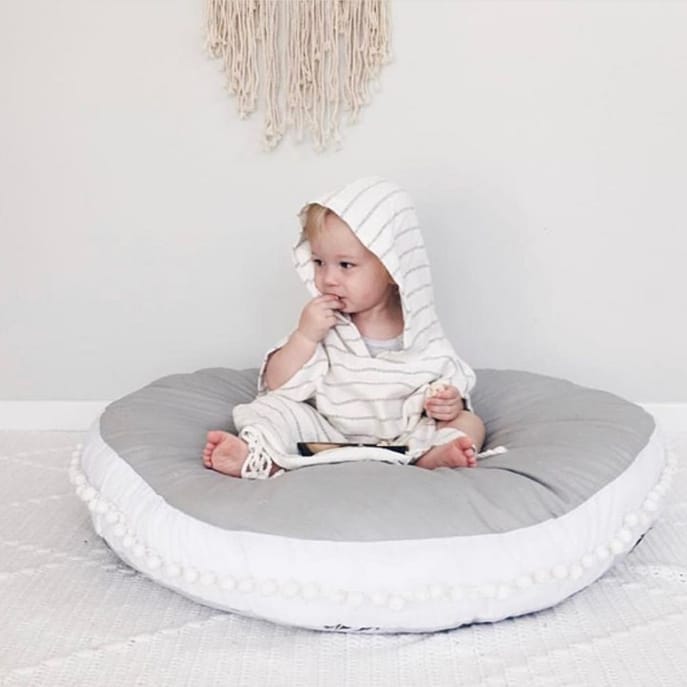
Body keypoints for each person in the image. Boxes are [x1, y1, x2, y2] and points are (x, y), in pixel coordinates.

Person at [202, 177, 485, 479]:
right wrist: (305, 337)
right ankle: (261, 458)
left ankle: (433, 457)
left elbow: (449, 381)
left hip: (404, 441)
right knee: (269, 409)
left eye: (345, 265)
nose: (328, 279)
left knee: (469, 423)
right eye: (319, 262)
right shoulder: (324, 322)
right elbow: (277, 384)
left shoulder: (421, 333)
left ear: (392, 269)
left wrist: (448, 403)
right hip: (325, 437)